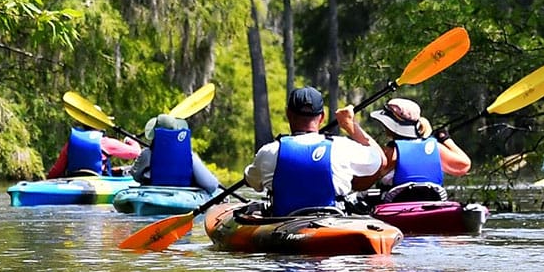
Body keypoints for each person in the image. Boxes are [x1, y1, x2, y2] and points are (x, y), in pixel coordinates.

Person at [242, 86, 383, 216]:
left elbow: (252, 182)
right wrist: (350, 125)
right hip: (333, 224)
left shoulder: (268, 152)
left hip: (282, 225)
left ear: (288, 114)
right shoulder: (342, 147)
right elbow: (381, 160)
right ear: (322, 117)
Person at [361, 97, 471, 203]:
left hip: (397, 207)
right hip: (432, 203)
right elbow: (464, 166)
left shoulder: (390, 152)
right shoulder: (436, 147)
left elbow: (363, 184)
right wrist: (445, 138)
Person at [129, 114, 221, 194]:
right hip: (184, 195)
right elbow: (211, 185)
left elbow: (136, 176)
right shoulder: (189, 156)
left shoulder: (146, 154)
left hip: (152, 194)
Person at [46, 126, 141, 178]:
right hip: (99, 181)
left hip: (72, 179)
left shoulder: (71, 143)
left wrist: (47, 181)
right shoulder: (105, 142)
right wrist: (131, 140)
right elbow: (136, 152)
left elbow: (57, 170)